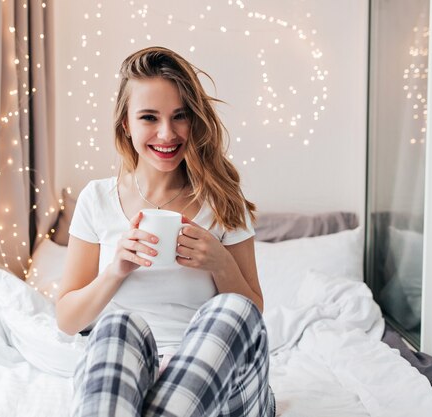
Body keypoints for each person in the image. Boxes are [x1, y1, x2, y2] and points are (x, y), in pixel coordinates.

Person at [55, 46, 275, 417]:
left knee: (231, 309)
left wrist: (221, 264)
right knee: (117, 324)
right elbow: (68, 321)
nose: (166, 133)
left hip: (221, 383)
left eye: (179, 116)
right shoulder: (97, 198)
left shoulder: (223, 200)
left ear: (195, 120)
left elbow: (251, 316)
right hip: (132, 376)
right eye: (149, 117)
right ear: (126, 123)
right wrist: (116, 270)